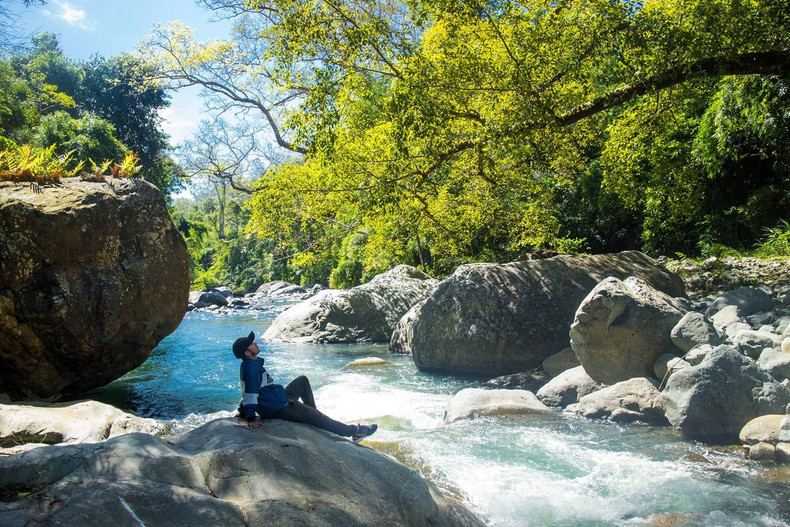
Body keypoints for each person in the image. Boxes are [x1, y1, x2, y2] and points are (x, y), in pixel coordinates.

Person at [232, 331, 378, 443]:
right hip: (278, 407)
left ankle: (313, 415)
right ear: (247, 353)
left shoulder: (252, 364)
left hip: (278, 398)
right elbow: (250, 393)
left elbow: (250, 389)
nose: (255, 343)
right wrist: (250, 418)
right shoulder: (250, 368)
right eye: (252, 344)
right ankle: (355, 432)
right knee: (319, 418)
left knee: (302, 380)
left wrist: (241, 411)